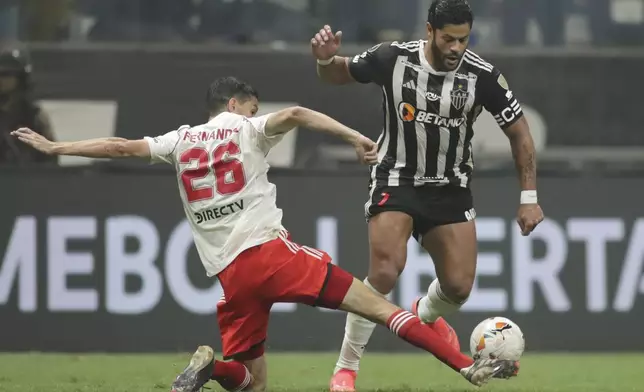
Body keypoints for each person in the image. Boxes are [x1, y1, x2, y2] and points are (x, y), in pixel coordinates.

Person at [12, 76, 518, 392]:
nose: (258, 117)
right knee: (383, 307)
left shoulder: (178, 141)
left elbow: (119, 147)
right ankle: (463, 367)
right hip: (275, 256)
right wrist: (351, 135)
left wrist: (56, 148)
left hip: (232, 277)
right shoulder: (244, 126)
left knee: (250, 382)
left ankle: (214, 369)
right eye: (254, 108)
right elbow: (296, 114)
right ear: (236, 104)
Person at [310, 0, 544, 390]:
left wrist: (529, 197)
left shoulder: (482, 75)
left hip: (450, 188)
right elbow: (340, 74)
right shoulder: (393, 59)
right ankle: (346, 368)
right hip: (396, 178)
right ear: (430, 31)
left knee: (458, 287)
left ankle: (427, 313)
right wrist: (325, 61)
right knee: (384, 269)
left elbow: (519, 132)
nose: (456, 47)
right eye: (448, 38)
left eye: (463, 40)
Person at [0, 47, 57, 165]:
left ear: (20, 78)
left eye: (7, 74)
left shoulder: (33, 115)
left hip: (25, 178)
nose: (1, 80)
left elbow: (49, 158)